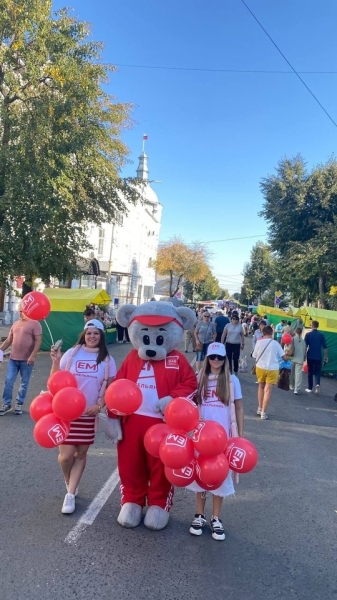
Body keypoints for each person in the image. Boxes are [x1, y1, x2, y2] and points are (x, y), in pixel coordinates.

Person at [50, 319, 116, 514]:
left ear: (101, 336)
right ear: (84, 335)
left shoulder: (107, 360)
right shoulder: (72, 354)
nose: (92, 337)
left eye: (96, 333)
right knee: (66, 456)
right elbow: (56, 379)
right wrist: (55, 361)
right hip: (67, 413)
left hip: (88, 415)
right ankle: (68, 480)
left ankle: (70, 495)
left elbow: (111, 388)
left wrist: (99, 405)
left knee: (81, 454)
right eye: (89, 333)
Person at [188, 342, 244, 541]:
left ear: (225, 359)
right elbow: (190, 406)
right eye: (213, 357)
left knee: (219, 476)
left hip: (224, 439)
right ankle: (200, 515)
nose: (216, 361)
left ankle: (216, 518)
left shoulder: (232, 380)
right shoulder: (199, 379)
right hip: (202, 437)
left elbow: (238, 408)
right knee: (201, 475)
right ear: (207, 358)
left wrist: (239, 436)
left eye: (220, 357)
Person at [0, 305, 42, 416]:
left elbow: (38, 341)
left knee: (24, 383)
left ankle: (19, 403)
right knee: (9, 380)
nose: (20, 313)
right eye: (19, 311)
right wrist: (0, 350)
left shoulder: (35, 323)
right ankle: (6, 403)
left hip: (26, 360)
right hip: (13, 359)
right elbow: (9, 340)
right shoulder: (15, 324)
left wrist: (33, 356)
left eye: (22, 311)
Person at [252, 325, 287, 420]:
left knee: (261, 386)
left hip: (260, 367)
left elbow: (254, 356)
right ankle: (263, 412)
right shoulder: (275, 343)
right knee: (268, 390)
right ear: (272, 333)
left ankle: (259, 408)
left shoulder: (259, 342)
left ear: (263, 333)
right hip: (272, 369)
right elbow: (284, 357)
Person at [304, 320, 328, 394]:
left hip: (310, 355)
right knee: (317, 372)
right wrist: (326, 357)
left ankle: (310, 388)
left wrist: (304, 355)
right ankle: (317, 384)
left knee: (310, 371)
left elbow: (305, 346)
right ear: (317, 326)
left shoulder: (308, 334)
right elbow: (325, 347)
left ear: (312, 325)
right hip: (318, 356)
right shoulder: (321, 335)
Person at [290, 327, 306, 394]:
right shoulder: (303, 341)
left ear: (295, 331)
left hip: (293, 358)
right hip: (300, 359)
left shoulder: (293, 338)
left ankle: (291, 385)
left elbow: (290, 348)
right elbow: (305, 351)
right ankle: (297, 389)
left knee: (292, 373)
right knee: (298, 374)